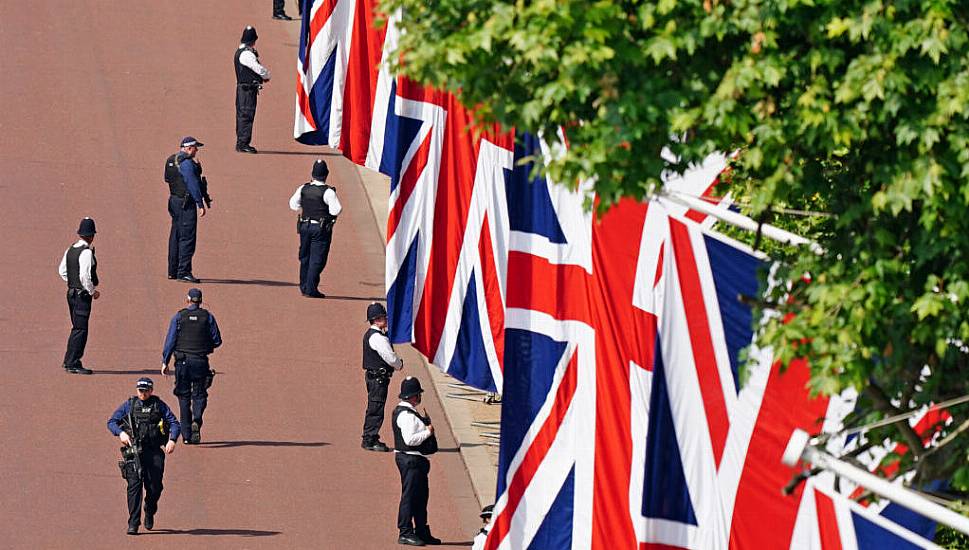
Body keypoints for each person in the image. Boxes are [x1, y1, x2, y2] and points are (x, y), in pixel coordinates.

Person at [107, 377, 180, 535]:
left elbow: (174, 423)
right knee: (134, 487)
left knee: (155, 487)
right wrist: (121, 434)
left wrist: (172, 440)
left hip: (154, 452)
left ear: (151, 391)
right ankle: (133, 523)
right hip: (134, 452)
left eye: (146, 390)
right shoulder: (130, 405)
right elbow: (112, 422)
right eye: (141, 390)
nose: (143, 393)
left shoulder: (158, 405)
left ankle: (149, 509)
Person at [161, 288, 222, 444]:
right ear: (200, 301)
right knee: (200, 394)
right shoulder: (208, 317)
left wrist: (165, 361)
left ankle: (187, 435)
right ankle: (197, 419)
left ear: (187, 300)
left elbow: (170, 341)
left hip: (182, 362)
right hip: (201, 361)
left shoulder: (179, 317)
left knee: (183, 397)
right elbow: (217, 340)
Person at [393, 376, 441, 546]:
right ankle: (405, 531)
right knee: (410, 497)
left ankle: (421, 530)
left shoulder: (409, 412)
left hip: (415, 460)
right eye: (418, 394)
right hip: (410, 460)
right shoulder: (407, 415)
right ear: (413, 396)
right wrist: (428, 431)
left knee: (421, 497)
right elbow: (410, 440)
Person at [288, 159, 342, 298]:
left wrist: (306, 208)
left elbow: (293, 204)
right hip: (320, 229)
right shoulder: (328, 192)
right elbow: (336, 210)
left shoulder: (303, 188)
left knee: (305, 257)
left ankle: (304, 285)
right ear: (326, 175)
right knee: (317, 259)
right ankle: (311, 288)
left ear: (312, 174)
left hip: (304, 226)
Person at [58, 217, 100, 374]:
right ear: (91, 235)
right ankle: (73, 362)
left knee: (76, 327)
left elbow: (62, 270)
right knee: (80, 329)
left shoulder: (71, 249)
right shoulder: (86, 252)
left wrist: (72, 282)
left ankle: (70, 359)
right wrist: (91, 291)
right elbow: (85, 276)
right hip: (81, 296)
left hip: (71, 293)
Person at [164, 137, 209, 283]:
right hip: (185, 204)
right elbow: (193, 183)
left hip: (174, 201)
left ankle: (173, 270)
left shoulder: (171, 160)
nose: (196, 151)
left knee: (175, 235)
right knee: (187, 238)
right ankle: (184, 271)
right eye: (195, 148)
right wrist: (200, 203)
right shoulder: (187, 164)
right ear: (189, 148)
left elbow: (167, 179)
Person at [361, 302, 403, 452]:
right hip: (378, 379)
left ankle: (371, 436)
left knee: (375, 406)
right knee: (376, 407)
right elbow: (390, 357)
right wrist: (399, 365)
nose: (385, 319)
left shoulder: (374, 335)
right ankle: (370, 438)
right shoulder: (378, 338)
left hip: (375, 377)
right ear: (376, 319)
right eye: (383, 317)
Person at [235, 26, 271, 153]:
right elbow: (258, 69)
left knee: (243, 115)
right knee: (246, 115)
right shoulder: (247, 54)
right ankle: (243, 143)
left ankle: (241, 142)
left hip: (243, 89)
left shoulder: (242, 51)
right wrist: (267, 75)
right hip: (247, 90)